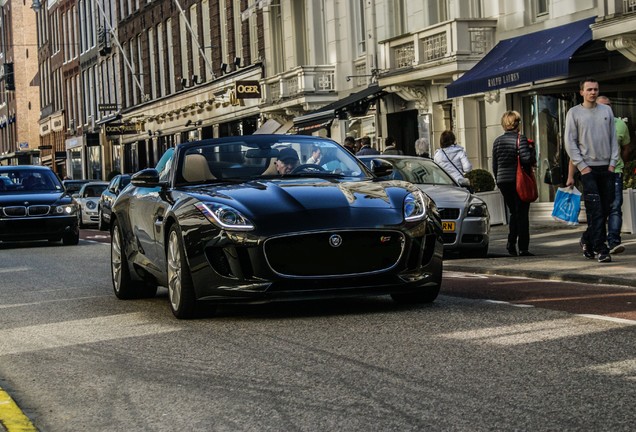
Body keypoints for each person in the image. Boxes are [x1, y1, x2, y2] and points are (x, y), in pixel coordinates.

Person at [565, 78, 619, 263]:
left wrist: (612, 163)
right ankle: (601, 248)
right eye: (589, 89)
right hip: (587, 169)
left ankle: (587, 240)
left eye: (595, 89)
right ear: (581, 92)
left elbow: (613, 138)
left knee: (605, 209)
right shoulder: (574, 113)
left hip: (607, 167)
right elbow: (570, 142)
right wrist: (582, 167)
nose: (593, 92)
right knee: (595, 209)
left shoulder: (607, 110)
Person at [492, 110, 536, 257]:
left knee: (513, 212)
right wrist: (531, 151)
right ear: (517, 124)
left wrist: (498, 179)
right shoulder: (520, 139)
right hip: (518, 180)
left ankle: (511, 243)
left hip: (503, 181)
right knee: (522, 213)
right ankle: (523, 247)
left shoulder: (497, 141)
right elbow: (526, 159)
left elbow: (495, 164)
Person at [598, 96, 631, 254]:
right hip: (596, 172)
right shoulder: (591, 124)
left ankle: (613, 242)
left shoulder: (620, 125)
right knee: (599, 210)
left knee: (615, 207)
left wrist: (621, 164)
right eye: (603, 105)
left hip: (615, 172)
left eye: (609, 105)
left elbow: (626, 148)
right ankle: (589, 238)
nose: (607, 108)